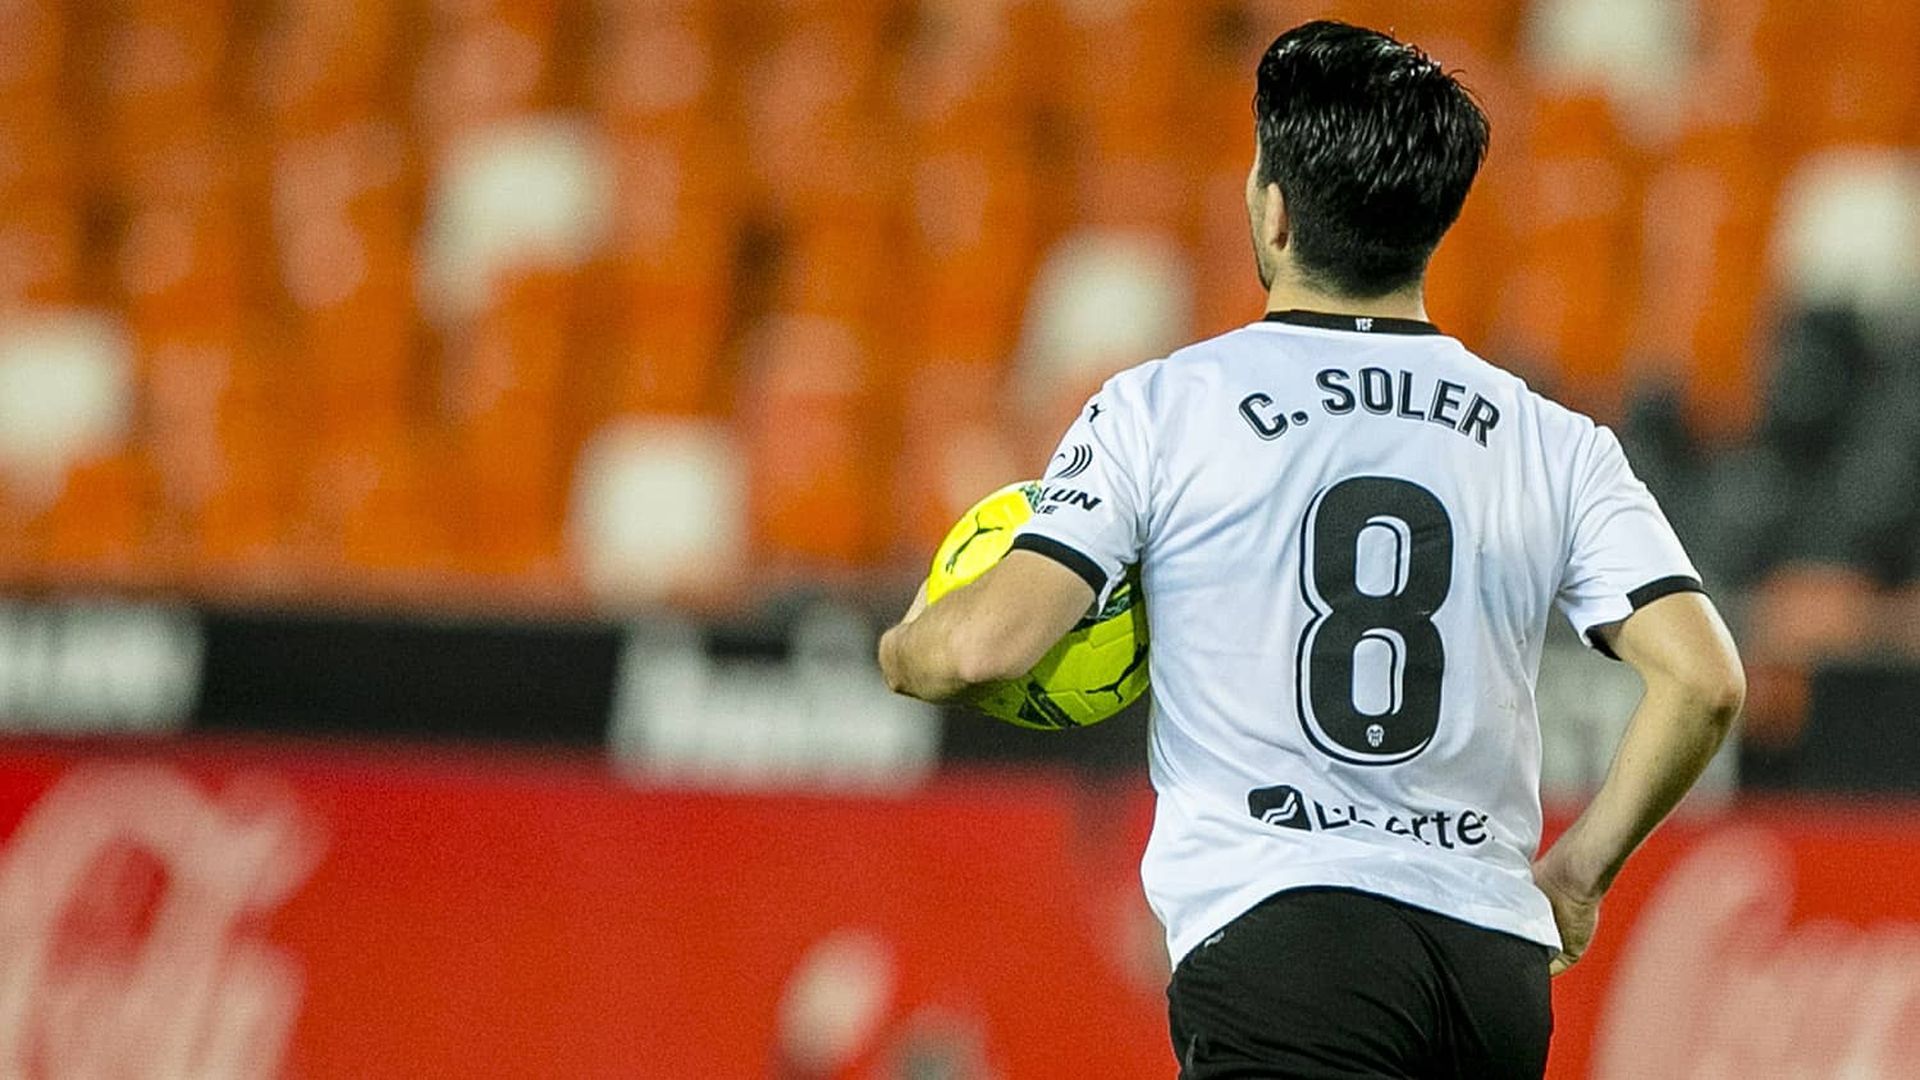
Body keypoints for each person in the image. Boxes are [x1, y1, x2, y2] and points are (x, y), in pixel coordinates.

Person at [877, 19, 1745, 1080]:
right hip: (1487, 973)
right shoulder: (1554, 442)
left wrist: (904, 646)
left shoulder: (1163, 408)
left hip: (1286, 942)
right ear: (1433, 224)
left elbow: (986, 646)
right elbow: (1705, 681)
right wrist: (1578, 873)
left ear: (1275, 208)